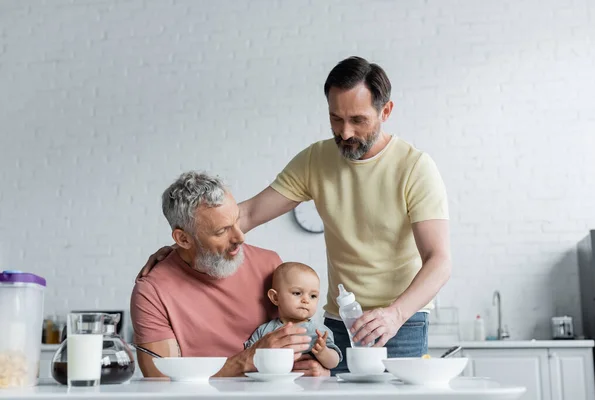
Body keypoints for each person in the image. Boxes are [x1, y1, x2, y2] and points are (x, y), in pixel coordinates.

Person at [139, 56, 452, 374]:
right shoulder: (316, 159)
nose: (344, 133)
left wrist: (395, 315)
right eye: (335, 118)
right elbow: (247, 214)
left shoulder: (414, 168)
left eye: (358, 120)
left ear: (386, 112)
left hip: (401, 323)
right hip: (336, 325)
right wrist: (185, 247)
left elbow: (439, 260)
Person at [130, 171, 329, 378]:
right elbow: (160, 380)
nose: (240, 237)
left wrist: (316, 367)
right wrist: (246, 360)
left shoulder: (270, 265)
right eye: (221, 231)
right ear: (183, 239)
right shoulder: (152, 291)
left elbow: (300, 336)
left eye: (237, 221)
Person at [244, 262, 342, 370]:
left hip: (308, 385)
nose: (306, 300)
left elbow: (333, 363)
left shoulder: (319, 332)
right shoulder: (265, 331)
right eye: (297, 293)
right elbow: (247, 357)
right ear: (275, 298)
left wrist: (323, 352)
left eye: (313, 296)